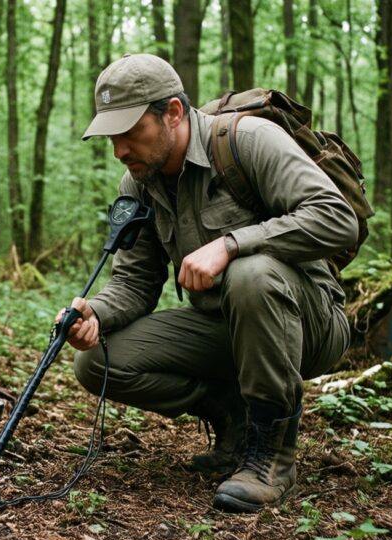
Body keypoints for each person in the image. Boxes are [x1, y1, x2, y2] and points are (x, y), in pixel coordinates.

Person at [65, 53, 358, 513]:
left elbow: (338, 219)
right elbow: (137, 281)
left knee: (251, 273)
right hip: (226, 330)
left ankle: (272, 458)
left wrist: (232, 243)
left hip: (308, 325)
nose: (119, 149)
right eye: (111, 136)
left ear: (174, 113)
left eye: (129, 132)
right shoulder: (138, 182)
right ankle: (235, 417)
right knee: (98, 364)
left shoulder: (248, 141)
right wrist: (94, 314)